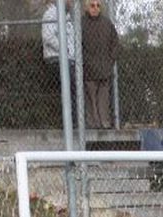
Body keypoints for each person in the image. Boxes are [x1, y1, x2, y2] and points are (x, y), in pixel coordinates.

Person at [81, 0, 118, 129]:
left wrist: (110, 60)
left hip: (104, 69)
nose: (95, 8)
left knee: (104, 99)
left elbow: (115, 43)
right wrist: (84, 62)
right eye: (92, 5)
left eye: (98, 5)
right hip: (89, 69)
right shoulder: (81, 23)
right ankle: (93, 124)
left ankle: (104, 123)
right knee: (90, 99)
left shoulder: (107, 23)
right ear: (86, 7)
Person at [41, 0, 75, 123]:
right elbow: (48, 36)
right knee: (69, 91)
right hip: (56, 59)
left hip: (69, 60)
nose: (71, 2)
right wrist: (64, 48)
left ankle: (72, 122)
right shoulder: (51, 13)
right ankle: (68, 123)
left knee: (74, 91)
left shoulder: (67, 16)